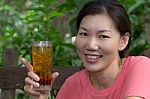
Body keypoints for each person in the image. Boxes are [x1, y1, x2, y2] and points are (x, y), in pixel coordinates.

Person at [22, 0, 150, 99]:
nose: (91, 45)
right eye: (84, 34)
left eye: (103, 36)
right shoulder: (73, 85)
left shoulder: (140, 67)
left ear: (123, 41)